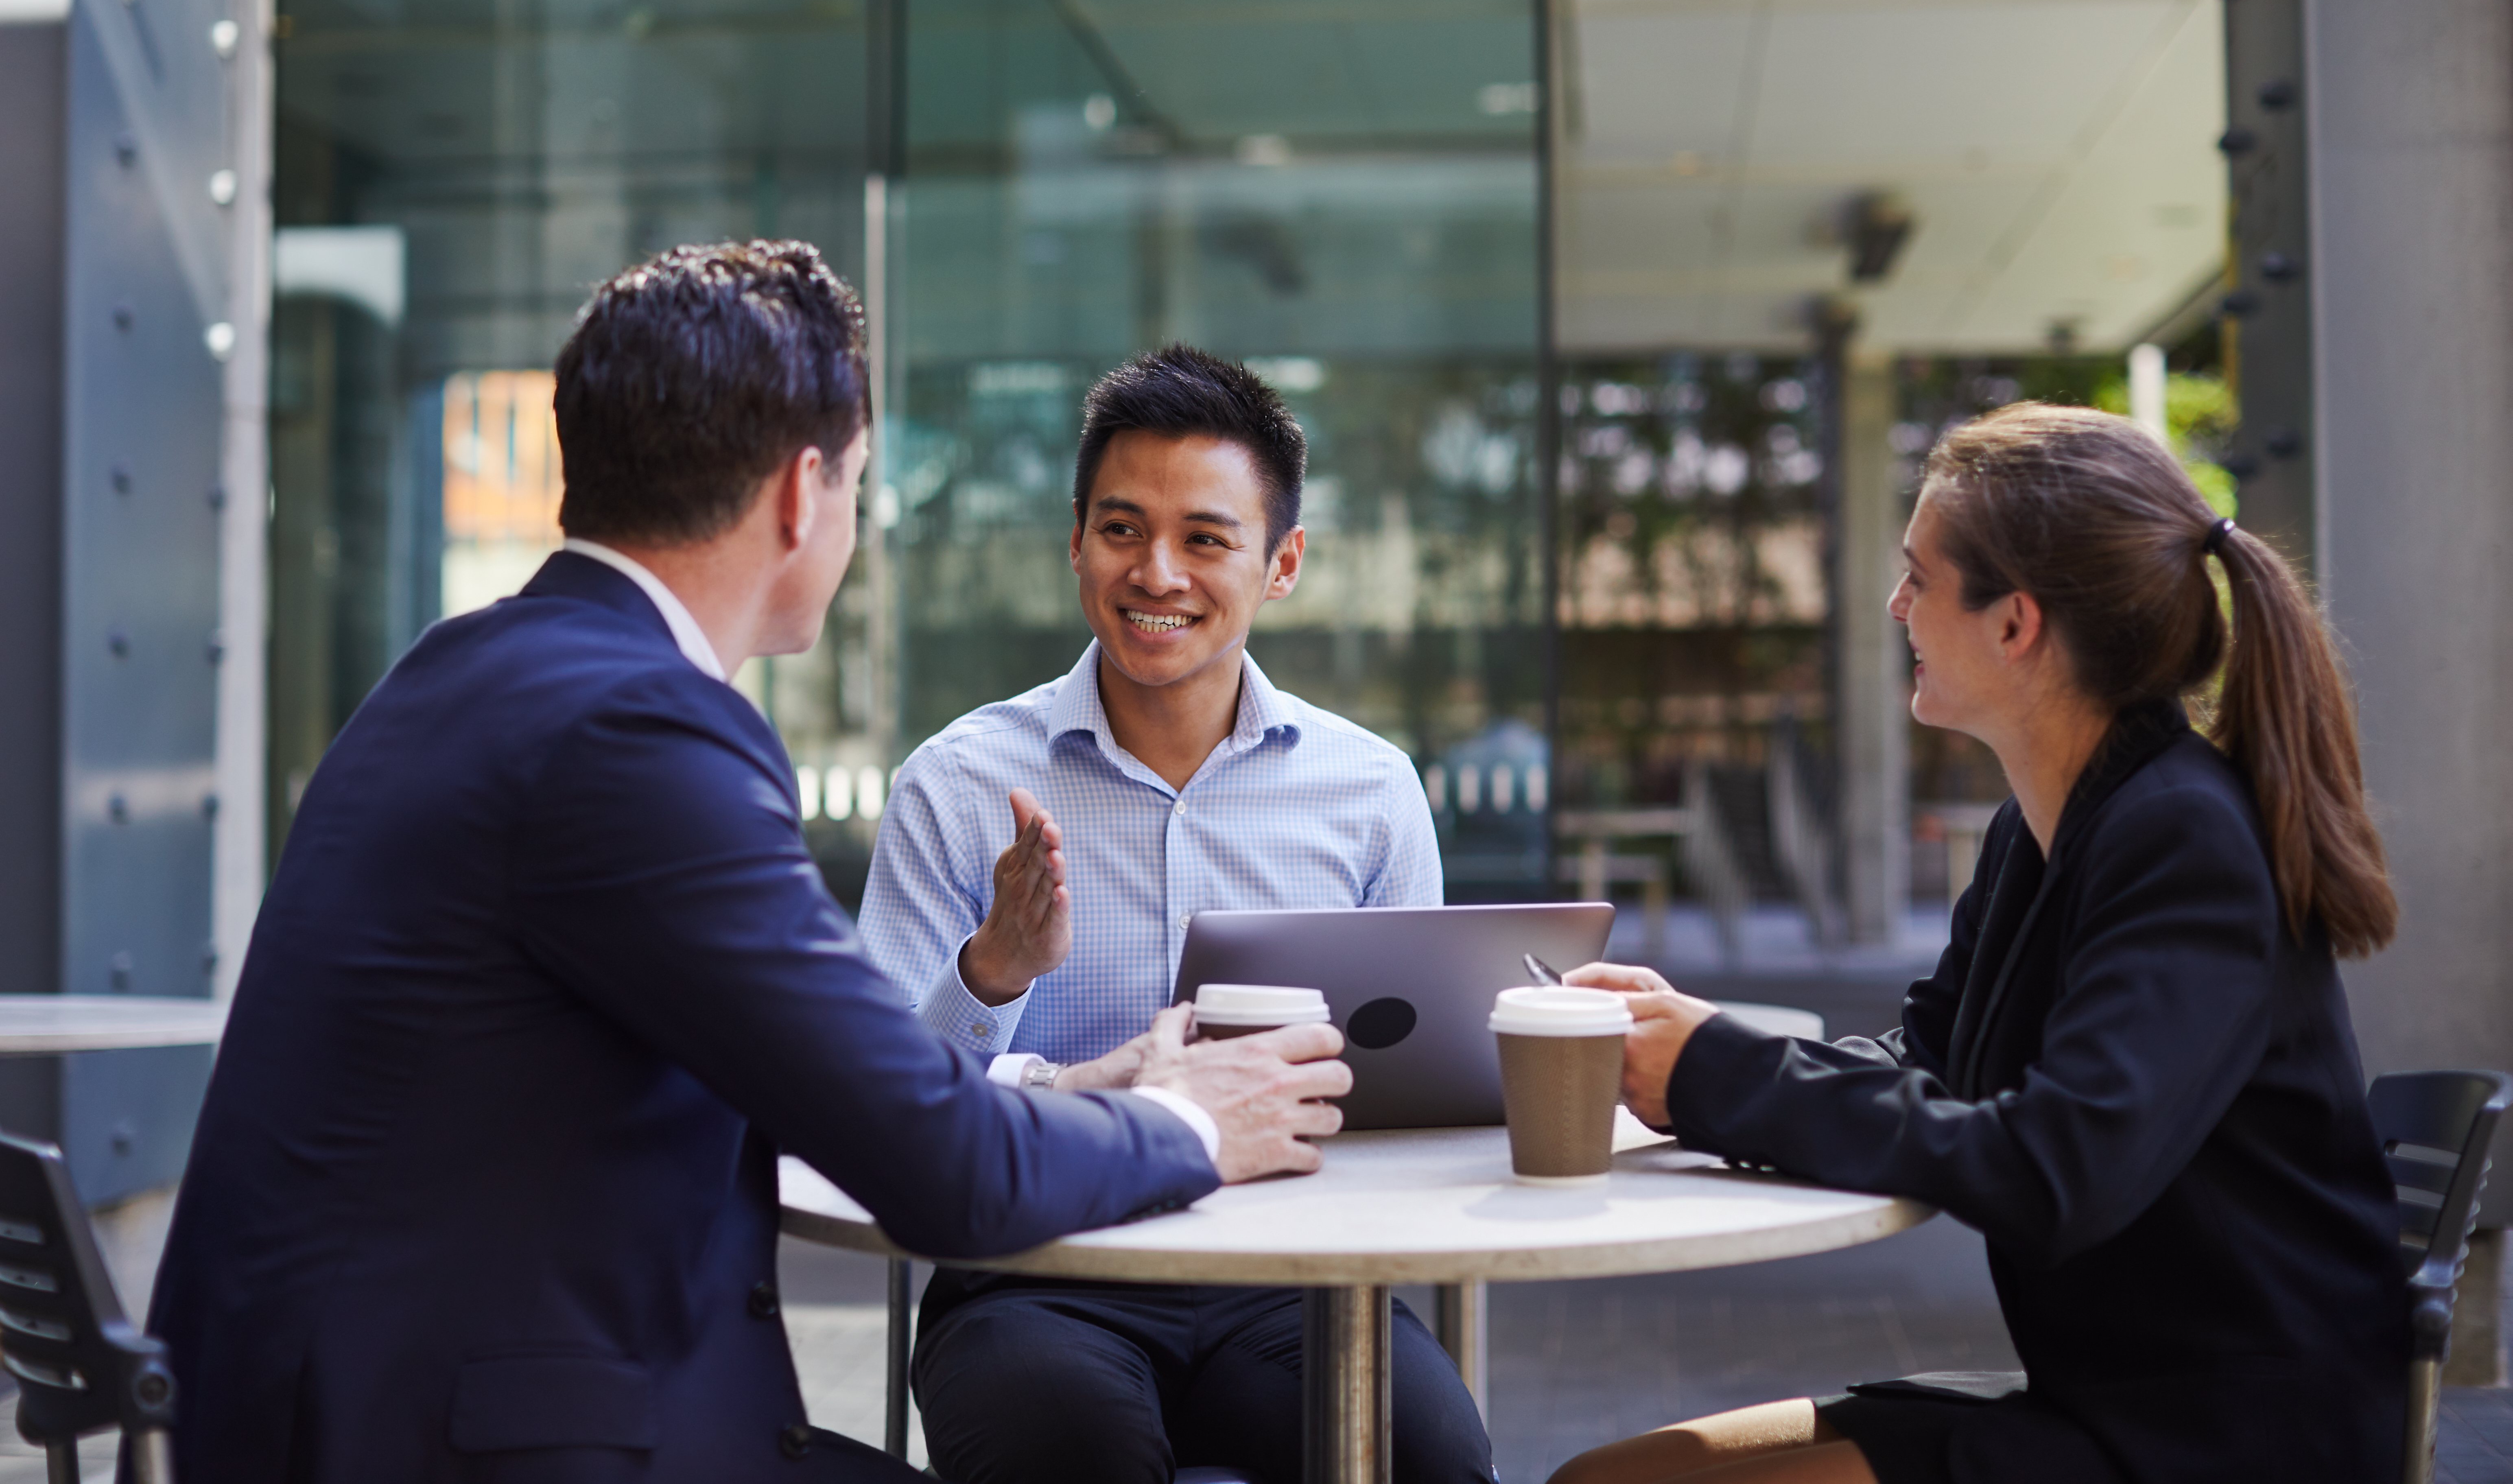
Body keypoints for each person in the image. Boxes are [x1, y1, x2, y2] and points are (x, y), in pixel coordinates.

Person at [146, 243, 1353, 1484]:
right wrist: (1187, 1118)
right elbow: (940, 1173)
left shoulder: (463, 671)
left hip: (341, 1403)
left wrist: (1099, 1077)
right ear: (801, 492)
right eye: (862, 490)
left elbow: (840, 1084)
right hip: (453, 1440)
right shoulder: (639, 737)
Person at [1550, 402, 2407, 1484]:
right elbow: (1935, 1061)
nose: (1895, 605)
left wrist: (1722, 1068)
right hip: (2112, 1397)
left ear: (2016, 625)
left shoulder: (2186, 833)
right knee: (1603, 1479)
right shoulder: (2040, 826)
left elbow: (2058, 1169)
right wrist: (1692, 1055)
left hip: (2233, 1439)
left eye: (1919, 576)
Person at [859, 345, 1494, 1484]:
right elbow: (872, 1103)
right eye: (1121, 530)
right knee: (1065, 1450)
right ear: (1075, 541)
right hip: (1037, 1271)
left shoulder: (1370, 791)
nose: (1157, 573)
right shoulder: (957, 786)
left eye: (1206, 538)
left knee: (1433, 1459)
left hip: (1297, 1285)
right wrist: (990, 973)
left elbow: (1420, 1096)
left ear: (1282, 562)